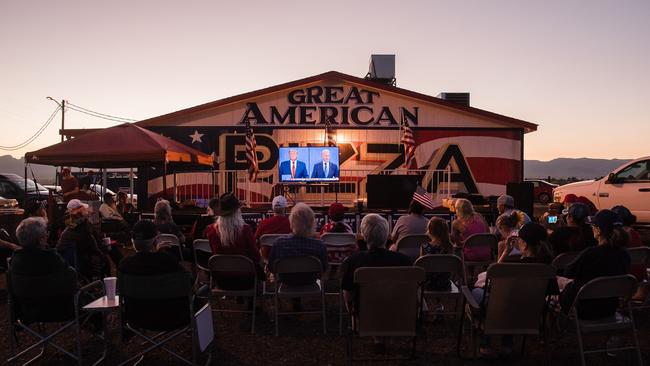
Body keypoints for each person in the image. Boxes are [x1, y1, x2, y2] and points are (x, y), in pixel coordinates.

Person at [340, 214, 412, 350]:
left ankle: (359, 323)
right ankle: (386, 332)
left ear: (364, 236)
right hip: (398, 315)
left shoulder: (353, 262)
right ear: (386, 235)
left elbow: (348, 295)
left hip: (366, 316)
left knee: (348, 291)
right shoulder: (405, 262)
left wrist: (353, 312)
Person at [560, 209, 631, 320]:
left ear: (598, 231)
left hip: (582, 309)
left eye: (592, 226)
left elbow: (568, 272)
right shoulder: (624, 254)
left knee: (558, 282)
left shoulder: (591, 254)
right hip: (609, 308)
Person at [117, 220, 188, 328]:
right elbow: (188, 282)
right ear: (155, 241)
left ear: (133, 241)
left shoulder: (124, 265)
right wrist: (159, 255)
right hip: (172, 316)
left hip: (136, 317)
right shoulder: (167, 261)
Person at [8, 217, 77, 316]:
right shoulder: (52, 258)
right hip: (61, 310)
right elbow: (72, 278)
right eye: (46, 235)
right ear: (41, 240)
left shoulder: (15, 260)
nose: (47, 236)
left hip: (27, 312)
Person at [207, 193, 264, 289]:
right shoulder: (245, 230)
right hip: (246, 279)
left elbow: (214, 253)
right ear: (237, 211)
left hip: (222, 280)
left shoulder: (211, 230)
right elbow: (255, 256)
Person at [267, 203, 328, 286]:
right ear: (312, 223)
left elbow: (271, 267)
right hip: (310, 281)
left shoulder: (279, 244)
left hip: (286, 282)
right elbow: (324, 269)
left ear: (291, 222)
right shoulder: (319, 245)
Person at [57, 199, 118, 281]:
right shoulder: (83, 228)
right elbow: (93, 247)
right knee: (107, 257)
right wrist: (102, 253)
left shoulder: (70, 227)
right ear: (81, 213)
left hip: (74, 258)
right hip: (83, 259)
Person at [421, 217, 454, 292]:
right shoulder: (450, 247)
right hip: (445, 284)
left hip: (428, 285)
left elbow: (421, 267)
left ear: (430, 231)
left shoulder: (424, 247)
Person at [254, 195, 292, 259]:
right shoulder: (292, 224)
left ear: (272, 208)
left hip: (267, 260)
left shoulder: (263, 223)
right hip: (287, 259)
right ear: (285, 208)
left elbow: (255, 241)